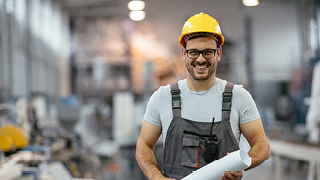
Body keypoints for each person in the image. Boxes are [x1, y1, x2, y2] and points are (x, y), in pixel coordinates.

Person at [136, 12, 270, 180]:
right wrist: (156, 177)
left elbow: (262, 146)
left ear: (218, 53)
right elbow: (143, 145)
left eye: (208, 52)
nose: (200, 59)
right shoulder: (163, 98)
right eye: (193, 52)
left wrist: (242, 164)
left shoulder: (238, 96)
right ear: (184, 53)